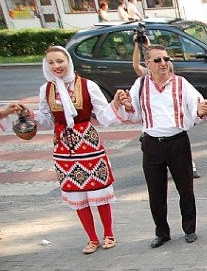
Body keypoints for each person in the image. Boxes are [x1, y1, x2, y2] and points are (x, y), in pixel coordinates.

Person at [0, 46, 126, 254]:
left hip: (88, 144)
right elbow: (46, 119)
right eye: (51, 62)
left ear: (68, 61)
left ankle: (109, 234)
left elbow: (104, 115)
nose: (56, 66)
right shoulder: (47, 89)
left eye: (60, 61)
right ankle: (92, 239)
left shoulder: (87, 85)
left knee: (99, 190)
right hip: (63, 147)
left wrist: (115, 103)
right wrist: (27, 113)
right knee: (77, 194)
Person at [120, 45, 207, 248]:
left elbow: (196, 106)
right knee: (156, 191)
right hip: (152, 143)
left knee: (185, 188)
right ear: (147, 64)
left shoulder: (180, 83)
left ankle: (190, 229)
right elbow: (134, 113)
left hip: (177, 141)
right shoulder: (141, 84)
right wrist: (127, 105)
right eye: (158, 60)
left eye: (166, 59)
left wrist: (200, 109)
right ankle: (162, 232)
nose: (164, 63)